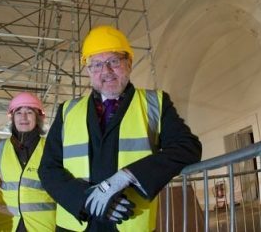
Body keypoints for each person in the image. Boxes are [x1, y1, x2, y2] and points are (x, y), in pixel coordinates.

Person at [38, 25, 202, 231]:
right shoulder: (67, 111)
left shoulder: (155, 103)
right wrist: (87, 199)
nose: (105, 72)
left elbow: (188, 147)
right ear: (88, 71)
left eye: (113, 61)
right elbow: (48, 169)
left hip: (129, 221)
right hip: (77, 223)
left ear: (129, 63)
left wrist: (128, 175)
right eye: (96, 65)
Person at [0, 92, 56, 231]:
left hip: (41, 226)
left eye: (29, 112)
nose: (23, 117)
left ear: (38, 118)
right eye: (18, 112)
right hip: (5, 225)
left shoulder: (52, 148)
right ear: (12, 118)